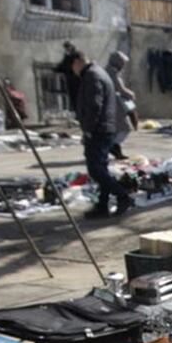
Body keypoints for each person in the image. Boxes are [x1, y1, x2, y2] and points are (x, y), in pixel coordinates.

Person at [71, 50, 132, 217]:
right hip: (104, 127)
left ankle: (122, 195)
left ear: (77, 62)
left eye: (72, 66)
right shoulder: (98, 73)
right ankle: (102, 205)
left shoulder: (92, 75)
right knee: (101, 168)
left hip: (99, 129)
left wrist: (88, 130)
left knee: (95, 170)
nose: (73, 71)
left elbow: (94, 106)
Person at [105, 51, 135, 160]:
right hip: (115, 105)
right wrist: (130, 94)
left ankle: (115, 148)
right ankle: (112, 146)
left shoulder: (109, 71)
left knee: (116, 129)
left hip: (112, 104)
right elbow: (119, 88)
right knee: (125, 128)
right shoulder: (112, 73)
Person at [56, 41, 82, 114]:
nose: (67, 49)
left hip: (76, 80)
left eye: (68, 47)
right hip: (71, 80)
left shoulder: (75, 55)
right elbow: (62, 66)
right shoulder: (68, 56)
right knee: (73, 98)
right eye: (66, 48)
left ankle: (78, 112)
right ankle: (75, 111)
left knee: (78, 98)